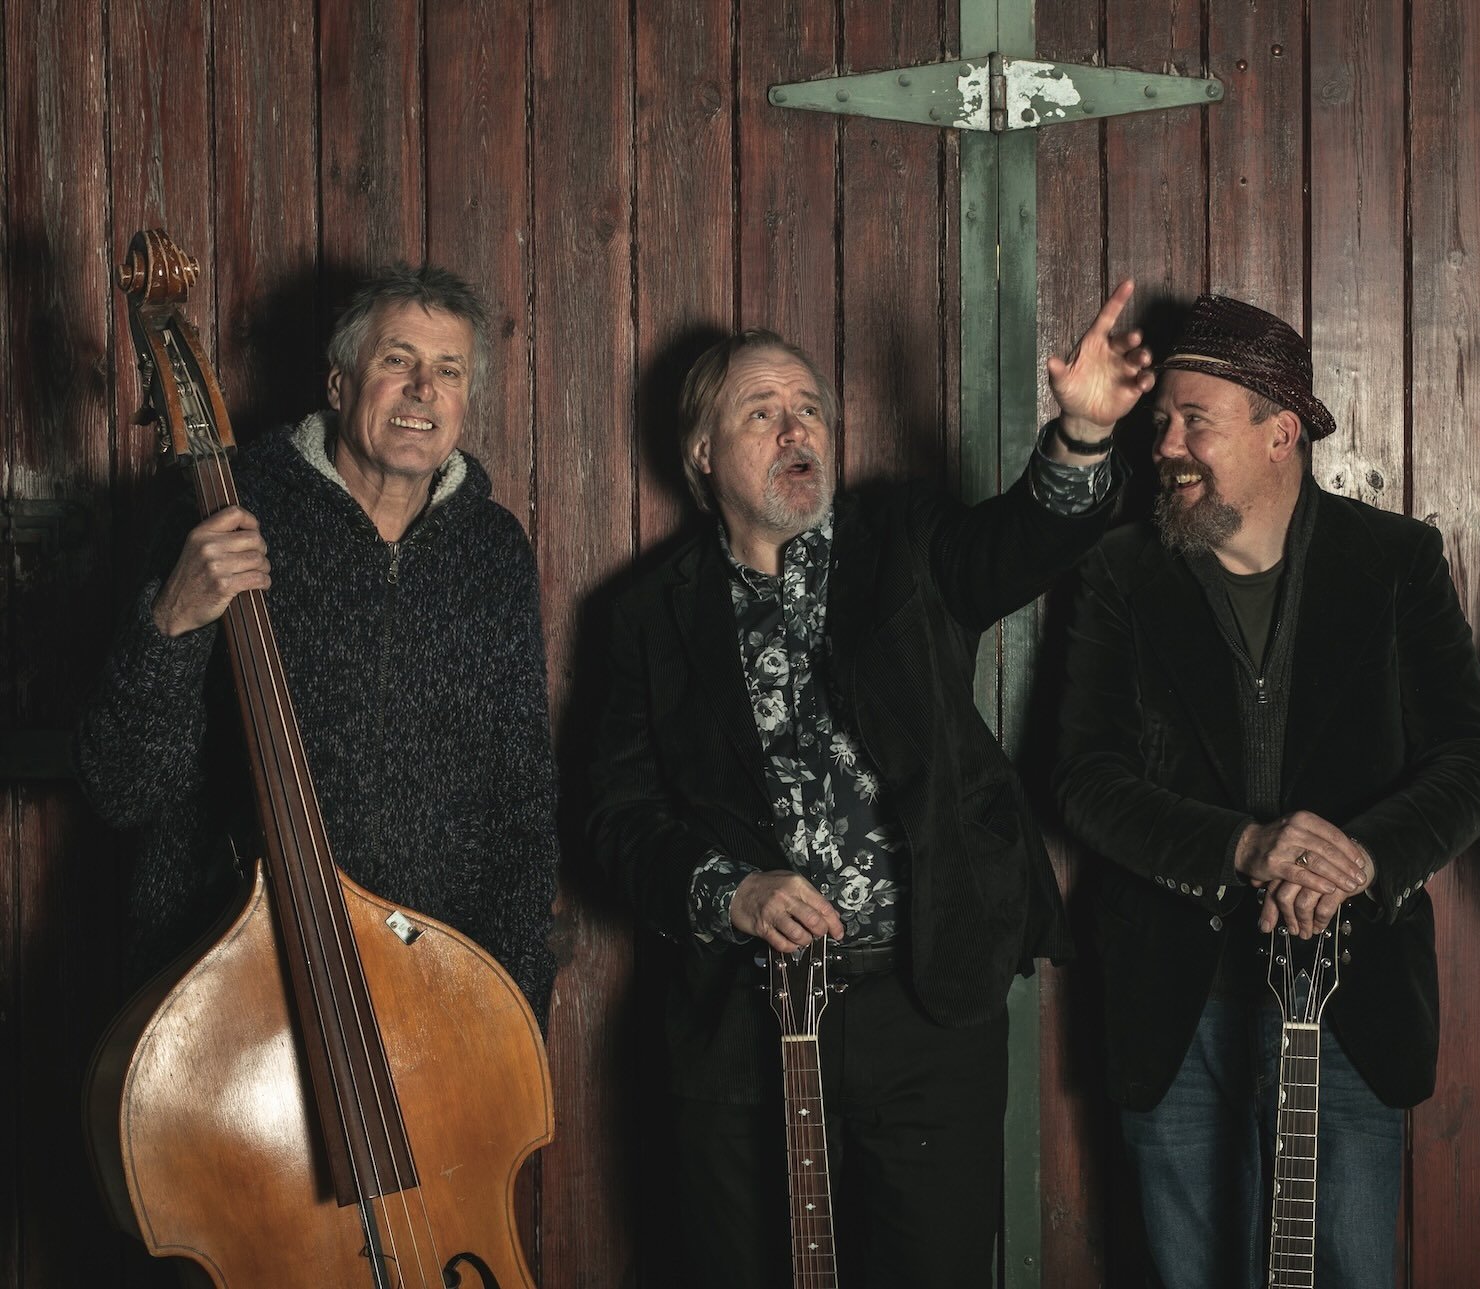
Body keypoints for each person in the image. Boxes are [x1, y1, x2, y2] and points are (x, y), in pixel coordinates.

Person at [587, 284, 1152, 1286]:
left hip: (925, 997)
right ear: (702, 455)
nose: (794, 425)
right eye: (760, 411)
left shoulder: (903, 540)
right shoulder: (643, 617)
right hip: (738, 1021)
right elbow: (612, 817)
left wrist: (1079, 436)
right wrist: (728, 889)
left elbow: (1018, 542)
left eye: (806, 405)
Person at [1053, 294, 1480, 1288]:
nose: (1163, 445)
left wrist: (1364, 857)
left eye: (1191, 421)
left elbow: (1472, 761)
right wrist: (1241, 849)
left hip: (1350, 993)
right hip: (1170, 1004)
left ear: (1278, 432)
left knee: (1344, 1267)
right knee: (1190, 1270)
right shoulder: (1119, 571)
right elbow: (1083, 780)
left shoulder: (1394, 562)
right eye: (1157, 420)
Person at [75, 265, 559, 1020]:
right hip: (234, 990)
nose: (423, 389)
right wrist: (169, 619)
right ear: (338, 386)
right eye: (397, 360)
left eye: (448, 370)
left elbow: (521, 807)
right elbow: (123, 785)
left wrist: (517, 1010)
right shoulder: (222, 513)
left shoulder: (495, 552)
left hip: (427, 995)